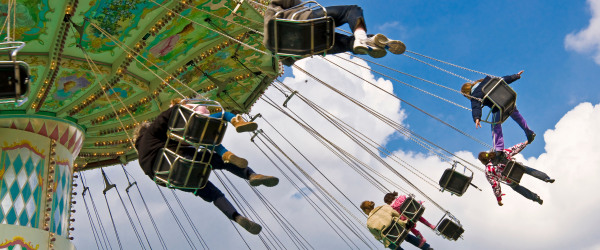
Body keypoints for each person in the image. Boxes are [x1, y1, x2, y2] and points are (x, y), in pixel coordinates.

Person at [133, 102, 279, 235]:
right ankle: (250, 175)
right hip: (182, 160)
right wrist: (181, 107)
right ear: (145, 131)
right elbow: (166, 117)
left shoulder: (142, 161)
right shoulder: (150, 135)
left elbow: (158, 180)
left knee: (211, 193)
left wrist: (185, 186)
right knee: (218, 160)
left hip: (177, 179)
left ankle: (236, 217)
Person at [263, 0, 405, 62]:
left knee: (350, 44)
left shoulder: (271, 42)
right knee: (352, 10)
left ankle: (370, 41)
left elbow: (287, 61)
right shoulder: (275, 8)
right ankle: (363, 37)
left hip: (304, 47)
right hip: (301, 24)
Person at [460, 70, 536, 151]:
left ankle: (499, 150)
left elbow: (476, 106)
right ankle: (529, 132)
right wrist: (515, 76)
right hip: (509, 100)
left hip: (499, 108)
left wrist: (476, 117)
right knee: (518, 117)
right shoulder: (488, 80)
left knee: (495, 126)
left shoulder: (475, 95)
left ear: (467, 93)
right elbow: (502, 80)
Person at [170, 98, 256, 168]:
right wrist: (193, 102)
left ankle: (227, 155)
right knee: (225, 114)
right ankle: (238, 123)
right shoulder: (184, 108)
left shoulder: (174, 122)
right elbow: (203, 110)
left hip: (194, 137)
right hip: (201, 121)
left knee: (215, 145)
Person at [478, 141, 555, 206]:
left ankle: (535, 198)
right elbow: (513, 150)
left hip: (510, 178)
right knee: (529, 170)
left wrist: (499, 199)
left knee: (516, 188)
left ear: (482, 161)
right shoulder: (497, 155)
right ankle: (546, 178)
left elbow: (495, 185)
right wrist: (525, 143)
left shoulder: (488, 171)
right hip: (516, 167)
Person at [360, 201, 433, 250]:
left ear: (366, 210)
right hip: (400, 229)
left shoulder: (369, 222)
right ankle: (427, 248)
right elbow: (397, 214)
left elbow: (377, 237)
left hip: (390, 239)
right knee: (407, 236)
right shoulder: (384, 207)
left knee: (393, 246)